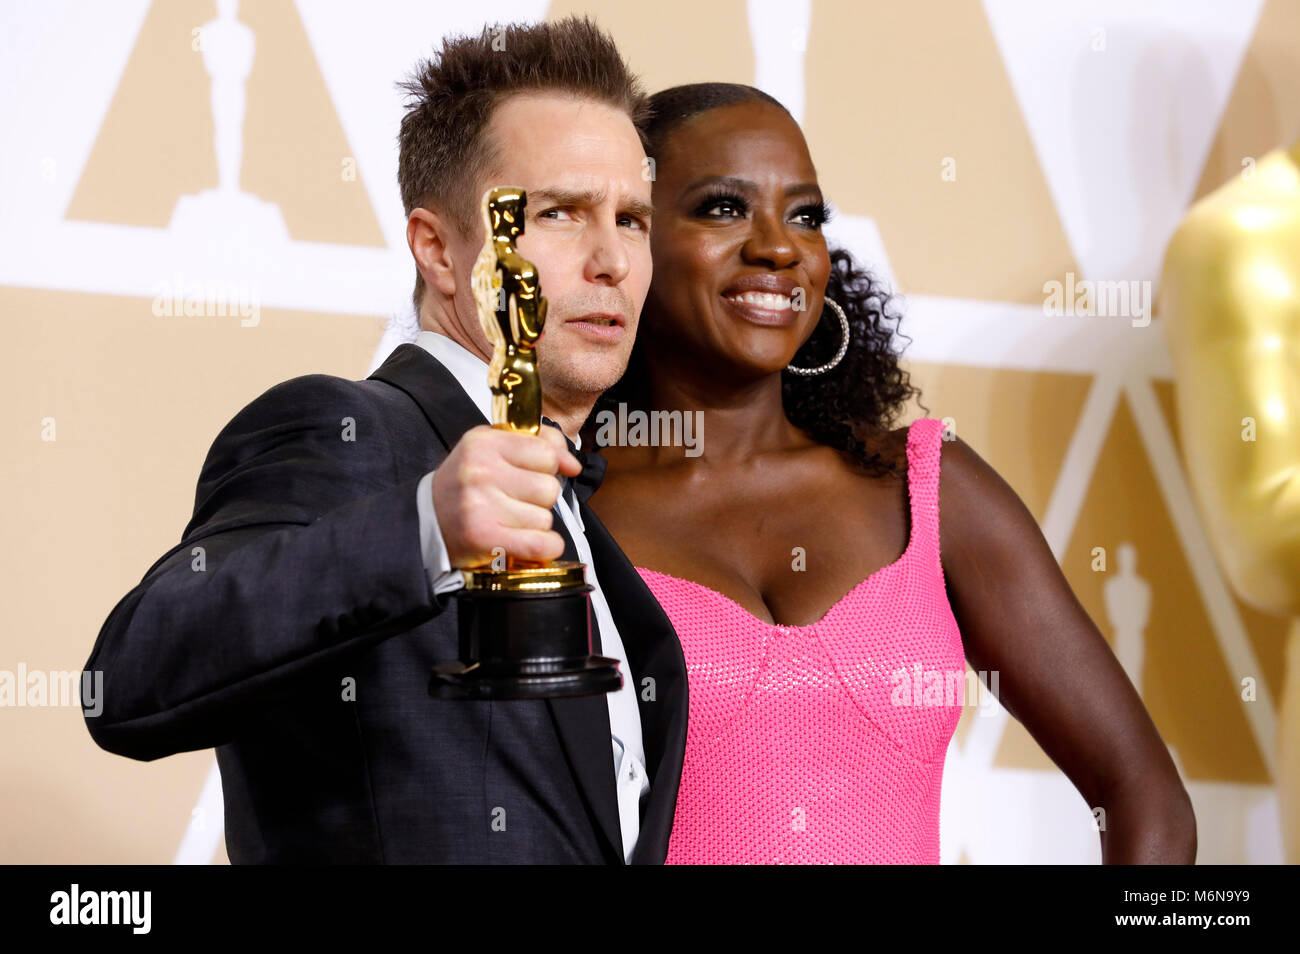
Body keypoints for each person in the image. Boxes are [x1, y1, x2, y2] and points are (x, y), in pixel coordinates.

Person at [80, 17, 687, 865]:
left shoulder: (581, 505)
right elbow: (130, 680)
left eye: (631, 219)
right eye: (559, 213)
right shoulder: (349, 435)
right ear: (438, 250)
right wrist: (425, 526)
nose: (612, 260)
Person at [585, 82, 1196, 864]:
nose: (779, 247)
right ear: (629, 239)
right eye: (723, 208)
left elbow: (1145, 798)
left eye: (805, 217)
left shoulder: (928, 487)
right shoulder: (563, 510)